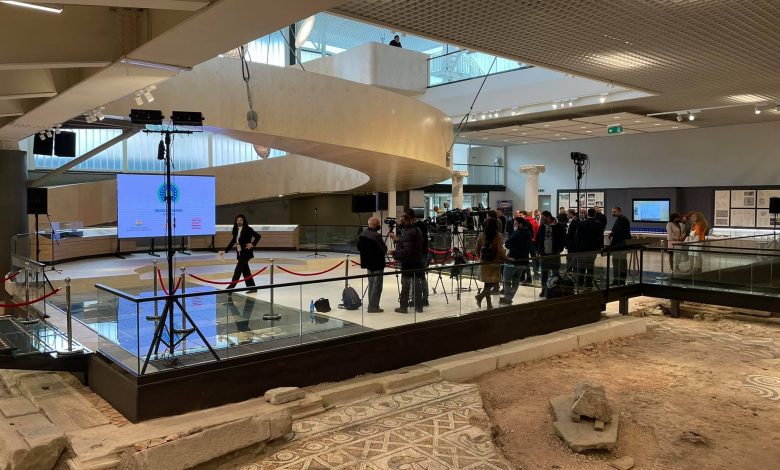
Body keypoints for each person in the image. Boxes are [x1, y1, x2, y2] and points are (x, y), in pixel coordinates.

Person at [390, 214, 424, 313]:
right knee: (417, 284)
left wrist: (394, 253)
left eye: (402, 221)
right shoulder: (417, 230)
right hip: (417, 261)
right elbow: (409, 244)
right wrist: (398, 239)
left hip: (408, 262)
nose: (400, 223)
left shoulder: (408, 233)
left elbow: (407, 250)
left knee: (405, 285)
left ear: (408, 221)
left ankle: (403, 307)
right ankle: (419, 306)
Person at [219, 214, 261, 294]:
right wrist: (225, 250)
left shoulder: (248, 229)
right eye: (238, 220)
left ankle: (230, 288)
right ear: (236, 221)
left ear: (244, 221)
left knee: (237, 270)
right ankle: (252, 288)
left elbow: (258, 236)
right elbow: (233, 241)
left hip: (246, 253)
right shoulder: (236, 230)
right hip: (240, 253)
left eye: (241, 220)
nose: (239, 221)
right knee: (246, 271)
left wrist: (252, 244)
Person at [474, 218, 506, 309]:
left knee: (487, 283)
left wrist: (479, 257)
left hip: (484, 262)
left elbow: (476, 249)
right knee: (493, 283)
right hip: (494, 263)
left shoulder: (482, 235)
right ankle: (481, 298)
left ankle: (488, 303)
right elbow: (500, 250)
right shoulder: (497, 236)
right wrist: (505, 257)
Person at [357, 217, 387, 313]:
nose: (379, 225)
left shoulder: (362, 234)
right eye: (378, 224)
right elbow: (384, 249)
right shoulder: (376, 236)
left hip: (368, 263)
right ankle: (373, 306)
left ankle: (371, 304)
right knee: (377, 285)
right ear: (375, 225)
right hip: (377, 263)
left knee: (371, 284)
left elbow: (359, 247)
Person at [501, 217, 533, 305]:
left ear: (520, 224)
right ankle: (509, 297)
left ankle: (507, 297)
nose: (514, 226)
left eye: (515, 224)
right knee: (516, 281)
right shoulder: (528, 233)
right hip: (523, 260)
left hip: (513, 260)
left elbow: (507, 244)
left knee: (506, 279)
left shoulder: (518, 233)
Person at [535, 211, 565, 297]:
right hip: (544, 254)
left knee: (555, 273)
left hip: (554, 254)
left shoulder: (558, 226)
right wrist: (537, 250)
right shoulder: (542, 226)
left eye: (544, 217)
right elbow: (538, 239)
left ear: (548, 217)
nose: (542, 219)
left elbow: (563, 238)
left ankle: (554, 290)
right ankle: (544, 290)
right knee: (544, 273)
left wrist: (559, 249)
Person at [406, 208, 430, 307]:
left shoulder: (415, 227)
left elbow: (411, 241)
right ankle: (425, 299)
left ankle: (416, 300)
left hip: (418, 255)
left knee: (415, 278)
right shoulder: (422, 224)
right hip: (424, 253)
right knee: (422, 277)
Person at [576, 208, 605, 288]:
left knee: (582, 266)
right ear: (595, 214)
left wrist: (578, 247)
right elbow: (601, 237)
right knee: (590, 266)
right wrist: (600, 247)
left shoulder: (582, 223)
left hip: (583, 248)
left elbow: (578, 236)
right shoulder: (599, 224)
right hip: (593, 248)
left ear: (587, 214)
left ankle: (580, 282)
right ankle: (589, 283)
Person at [609, 206, 631, 286]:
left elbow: (619, 231)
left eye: (615, 212)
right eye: (613, 212)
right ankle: (617, 280)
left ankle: (620, 281)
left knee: (620, 263)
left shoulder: (622, 219)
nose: (613, 213)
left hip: (620, 244)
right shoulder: (620, 219)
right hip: (619, 244)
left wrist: (612, 234)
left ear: (619, 211)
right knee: (618, 263)